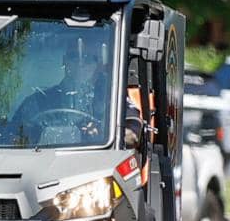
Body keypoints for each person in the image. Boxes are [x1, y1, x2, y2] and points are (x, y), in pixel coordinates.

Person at [11, 43, 139, 147]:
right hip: (41, 169)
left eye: (88, 58)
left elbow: (132, 136)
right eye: (74, 56)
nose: (81, 63)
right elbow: (13, 138)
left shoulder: (113, 99)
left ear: (97, 65)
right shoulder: (37, 101)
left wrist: (103, 134)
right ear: (64, 60)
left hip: (94, 169)